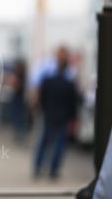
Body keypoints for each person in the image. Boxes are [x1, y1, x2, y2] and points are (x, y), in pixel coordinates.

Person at [33, 46, 80, 179]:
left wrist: (44, 110)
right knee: (59, 145)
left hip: (49, 115)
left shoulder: (48, 81)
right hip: (63, 117)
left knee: (43, 141)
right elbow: (73, 104)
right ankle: (53, 171)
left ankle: (37, 167)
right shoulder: (70, 84)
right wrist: (73, 119)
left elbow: (42, 98)